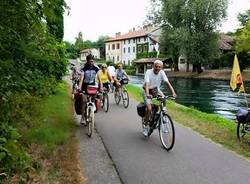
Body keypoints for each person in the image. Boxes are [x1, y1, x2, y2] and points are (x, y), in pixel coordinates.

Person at [142, 59, 177, 136]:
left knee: (164, 97)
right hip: (147, 90)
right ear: (153, 66)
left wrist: (173, 93)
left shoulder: (162, 72)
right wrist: (147, 94)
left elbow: (167, 83)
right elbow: (147, 84)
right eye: (156, 66)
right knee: (149, 108)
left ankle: (163, 113)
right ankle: (146, 126)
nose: (158, 68)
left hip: (156, 90)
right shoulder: (148, 72)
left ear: (161, 67)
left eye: (159, 67)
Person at [78, 54, 101, 123]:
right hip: (85, 86)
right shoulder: (84, 69)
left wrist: (101, 87)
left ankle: (92, 108)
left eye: (92, 61)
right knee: (84, 101)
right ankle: (82, 117)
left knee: (94, 97)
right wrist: (79, 87)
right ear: (87, 61)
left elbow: (100, 79)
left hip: (92, 86)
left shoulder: (96, 68)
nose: (91, 63)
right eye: (90, 61)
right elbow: (81, 79)